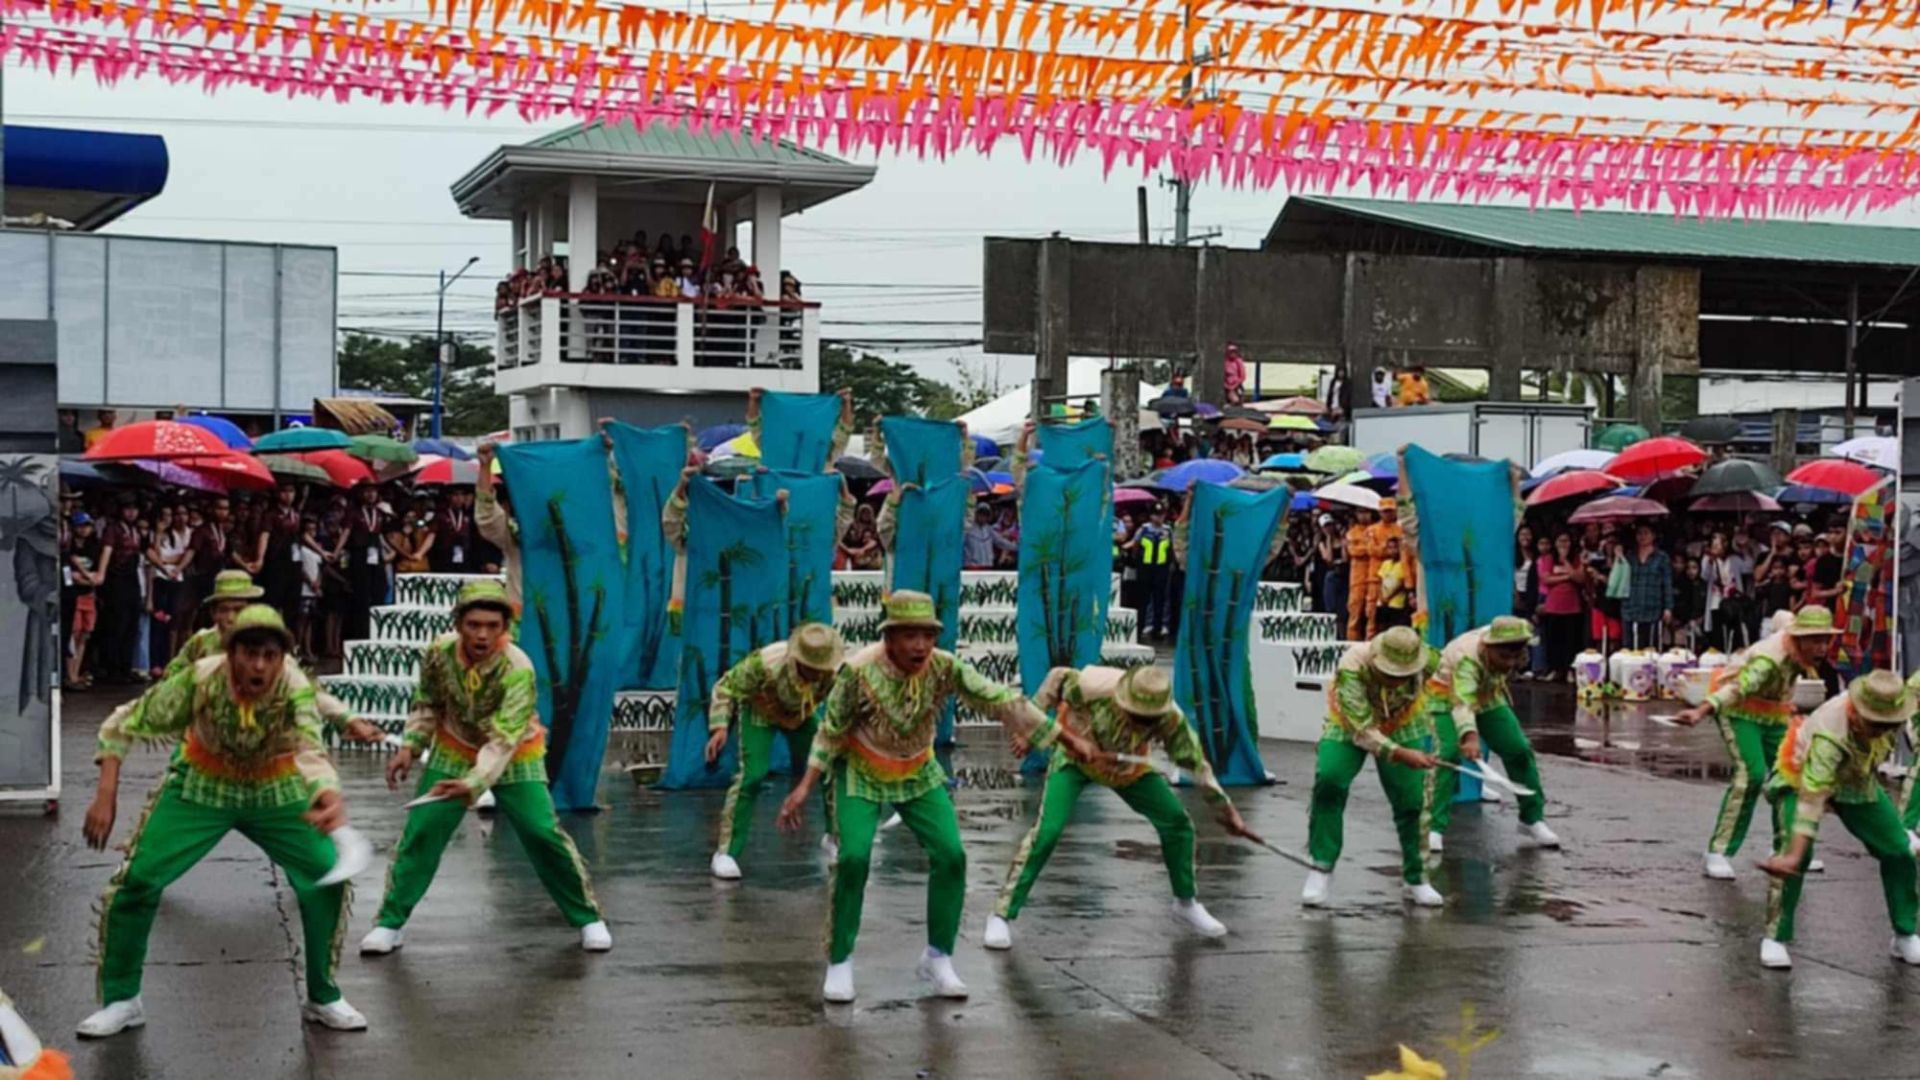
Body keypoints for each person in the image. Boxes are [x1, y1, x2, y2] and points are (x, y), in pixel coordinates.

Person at [774, 591, 1102, 1004]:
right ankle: (840, 960)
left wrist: (1064, 737)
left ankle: (938, 956)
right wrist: (804, 788)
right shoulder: (857, 672)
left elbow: (1002, 700)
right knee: (854, 857)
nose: (920, 645)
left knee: (952, 855)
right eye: (909, 635)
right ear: (889, 637)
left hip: (917, 770)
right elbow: (831, 731)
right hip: (861, 769)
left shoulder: (944, 666)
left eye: (927, 635)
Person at [78, 606, 366, 1037]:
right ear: (231, 652)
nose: (260, 666)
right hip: (204, 784)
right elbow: (123, 722)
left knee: (326, 874)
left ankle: (322, 996)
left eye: (270, 655)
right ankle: (122, 1000)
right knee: (137, 879)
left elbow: (309, 745)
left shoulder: (293, 685)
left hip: (274, 787)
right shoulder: (201, 678)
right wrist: (106, 794)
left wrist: (329, 797)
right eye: (250, 654)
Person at [359, 580, 612, 956]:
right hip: (455, 744)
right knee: (423, 831)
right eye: (474, 624)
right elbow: (427, 702)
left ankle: (587, 917)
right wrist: (411, 746)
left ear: (505, 628)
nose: (482, 634)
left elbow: (504, 738)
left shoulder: (517, 668)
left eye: (492, 626)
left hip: (513, 752)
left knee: (541, 832)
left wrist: (474, 784)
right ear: (459, 623)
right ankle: (390, 923)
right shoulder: (438, 653)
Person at [985, 665, 1255, 949]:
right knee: (1048, 831)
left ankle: (1186, 901)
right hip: (1075, 760)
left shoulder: (1170, 718)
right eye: (1135, 716)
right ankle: (1001, 914)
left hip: (1127, 769)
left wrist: (1227, 811)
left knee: (1177, 822)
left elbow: (1198, 766)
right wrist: (1030, 732)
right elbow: (1056, 677)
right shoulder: (1091, 687)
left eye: (1148, 721)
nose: (1140, 725)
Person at [1755, 670, 1920, 971]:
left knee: (1899, 850)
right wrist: (1791, 855)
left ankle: (1905, 932)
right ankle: (1775, 936)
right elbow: (1812, 797)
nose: (1881, 731)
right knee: (1797, 856)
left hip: (1857, 782)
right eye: (1875, 724)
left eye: (1888, 725)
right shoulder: (1830, 735)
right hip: (1802, 776)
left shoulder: (1891, 711)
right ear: (1856, 713)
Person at [1676, 606, 1840, 881]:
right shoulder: (1770, 658)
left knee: (1790, 777)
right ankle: (1718, 851)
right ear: (1799, 638)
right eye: (1815, 640)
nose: (1821, 647)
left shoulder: (1801, 648)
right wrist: (1702, 710)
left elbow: (1782, 616)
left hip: (1774, 710)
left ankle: (1788, 852)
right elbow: (1739, 687)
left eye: (1825, 639)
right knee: (1751, 775)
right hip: (1738, 709)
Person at [1303, 626, 1445, 908]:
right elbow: (1363, 728)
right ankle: (1321, 865)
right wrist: (1401, 753)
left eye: (1404, 674)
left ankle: (1416, 877)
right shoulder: (1352, 666)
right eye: (1390, 673)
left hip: (1402, 721)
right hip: (1349, 723)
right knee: (1330, 780)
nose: (1396, 680)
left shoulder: (1430, 659)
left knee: (1412, 800)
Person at [704, 623, 847, 880]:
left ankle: (833, 835)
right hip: (762, 710)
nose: (817, 674)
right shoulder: (767, 662)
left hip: (801, 714)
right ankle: (726, 852)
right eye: (811, 668)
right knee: (753, 775)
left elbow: (844, 707)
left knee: (829, 764)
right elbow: (726, 686)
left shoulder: (835, 672)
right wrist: (720, 728)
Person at [1425, 615, 1560, 852]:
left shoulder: (1515, 636)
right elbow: (1463, 701)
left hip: (1488, 694)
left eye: (1515, 657)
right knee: (1447, 755)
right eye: (1503, 657)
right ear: (1489, 647)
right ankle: (1433, 827)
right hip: (1447, 697)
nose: (1510, 663)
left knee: (1518, 749)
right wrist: (1469, 735)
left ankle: (1531, 818)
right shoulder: (1467, 658)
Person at [64, 513, 103, 690]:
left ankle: (77, 672)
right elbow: (72, 576)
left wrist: (87, 578)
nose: (84, 529)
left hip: (89, 595)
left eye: (87, 526)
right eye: (80, 526)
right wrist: (87, 578)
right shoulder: (68, 548)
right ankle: (70, 674)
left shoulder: (93, 547)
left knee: (85, 635)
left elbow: (97, 576)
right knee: (74, 634)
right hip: (74, 596)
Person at [1621, 523, 1673, 651]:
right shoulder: (1629, 556)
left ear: (1653, 536)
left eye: (1646, 533)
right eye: (1639, 533)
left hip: (1653, 608)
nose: (1642, 536)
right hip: (1631, 607)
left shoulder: (1662, 557)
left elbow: (1667, 583)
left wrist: (1668, 607)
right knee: (1630, 649)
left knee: (1651, 649)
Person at [1126, 505, 1174, 639]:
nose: (1158, 518)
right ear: (1151, 516)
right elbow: (1135, 546)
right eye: (1155, 515)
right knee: (1143, 599)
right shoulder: (1144, 529)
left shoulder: (1168, 530)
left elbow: (1172, 548)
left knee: (1160, 599)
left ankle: (1157, 629)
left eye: (1161, 515)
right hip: (1145, 568)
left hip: (1161, 568)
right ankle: (1140, 628)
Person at [962, 505, 1014, 571]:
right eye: (980, 513)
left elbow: (1001, 542)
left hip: (987, 566)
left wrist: (1016, 547)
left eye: (985, 514)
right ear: (976, 514)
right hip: (972, 567)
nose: (982, 517)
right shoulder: (968, 530)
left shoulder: (989, 530)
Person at [1374, 536, 1411, 630]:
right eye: (1389, 548)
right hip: (1382, 602)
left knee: (1394, 630)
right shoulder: (1385, 563)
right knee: (1381, 628)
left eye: (1395, 547)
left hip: (1396, 603)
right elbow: (1380, 581)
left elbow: (1402, 584)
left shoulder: (1404, 564)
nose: (1392, 551)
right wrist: (1381, 597)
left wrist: (1388, 597)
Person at [837, 504, 882, 572]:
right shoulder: (852, 525)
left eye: (868, 512)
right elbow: (839, 539)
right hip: (851, 553)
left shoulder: (875, 525)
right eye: (863, 512)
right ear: (859, 513)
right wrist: (848, 550)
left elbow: (876, 541)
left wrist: (863, 549)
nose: (865, 514)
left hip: (870, 555)